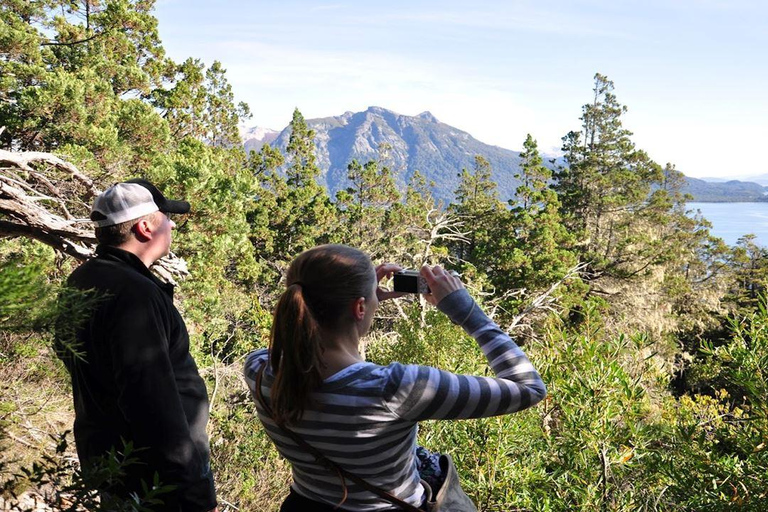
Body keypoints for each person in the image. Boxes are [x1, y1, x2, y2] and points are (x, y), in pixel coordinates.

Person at [243, 244, 547, 511]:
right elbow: (529, 387)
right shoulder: (397, 388)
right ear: (359, 307)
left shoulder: (259, 371)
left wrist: (357, 305)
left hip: (305, 505)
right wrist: (465, 311)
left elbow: (309, 346)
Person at [55, 178, 217, 512]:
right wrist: (193, 494)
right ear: (145, 227)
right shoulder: (135, 295)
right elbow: (152, 401)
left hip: (109, 461)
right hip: (155, 481)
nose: (171, 224)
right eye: (165, 216)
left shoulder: (83, 279)